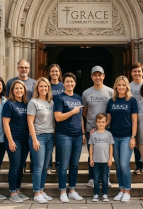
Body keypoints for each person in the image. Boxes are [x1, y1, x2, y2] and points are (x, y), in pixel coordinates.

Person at [54, 72, 86, 203]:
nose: (69, 84)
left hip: (78, 135)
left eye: (71, 81)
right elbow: (57, 117)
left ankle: (72, 190)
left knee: (74, 164)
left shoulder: (78, 98)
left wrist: (83, 133)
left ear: (75, 83)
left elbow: (81, 118)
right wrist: (72, 112)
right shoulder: (59, 98)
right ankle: (62, 191)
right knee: (63, 165)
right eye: (67, 81)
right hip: (64, 135)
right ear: (63, 83)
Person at [106, 75, 138, 202]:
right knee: (118, 165)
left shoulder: (131, 100)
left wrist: (133, 137)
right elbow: (108, 120)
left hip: (126, 136)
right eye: (119, 85)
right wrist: (98, 128)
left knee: (125, 165)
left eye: (123, 85)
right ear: (115, 87)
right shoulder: (111, 101)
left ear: (127, 87)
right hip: (113, 136)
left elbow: (135, 121)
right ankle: (121, 189)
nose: (121, 87)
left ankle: (127, 191)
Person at [82, 66, 113, 188]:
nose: (97, 77)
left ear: (104, 76)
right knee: (92, 154)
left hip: (106, 129)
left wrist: (104, 125)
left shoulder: (110, 92)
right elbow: (85, 111)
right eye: (95, 75)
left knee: (105, 154)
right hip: (91, 129)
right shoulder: (86, 93)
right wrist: (93, 123)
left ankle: (106, 178)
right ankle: (92, 178)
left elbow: (111, 111)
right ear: (91, 77)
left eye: (100, 75)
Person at [5, 59, 36, 173]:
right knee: (16, 163)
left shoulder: (34, 83)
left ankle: (32, 168)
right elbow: (9, 101)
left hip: (30, 124)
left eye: (26, 67)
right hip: (16, 124)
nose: (24, 69)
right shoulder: (10, 82)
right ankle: (15, 185)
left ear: (29, 69)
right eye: (22, 67)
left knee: (29, 153)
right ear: (17, 68)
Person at [27, 77, 54, 203]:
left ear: (49, 88)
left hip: (50, 136)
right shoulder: (33, 102)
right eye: (41, 86)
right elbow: (30, 122)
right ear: (37, 88)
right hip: (38, 137)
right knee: (38, 166)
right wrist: (34, 139)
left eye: (46, 86)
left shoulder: (51, 102)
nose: (43, 88)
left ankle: (42, 190)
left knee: (45, 167)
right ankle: (37, 193)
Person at [3, 80, 29, 203]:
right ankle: (12, 192)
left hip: (25, 139)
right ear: (12, 91)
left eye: (21, 88)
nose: (19, 91)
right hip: (14, 139)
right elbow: (6, 123)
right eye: (16, 89)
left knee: (21, 166)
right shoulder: (9, 104)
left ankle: (18, 190)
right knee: (14, 165)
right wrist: (10, 140)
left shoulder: (26, 104)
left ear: (24, 90)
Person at [89, 113, 114, 202]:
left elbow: (111, 147)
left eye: (103, 122)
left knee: (104, 178)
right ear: (96, 123)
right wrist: (91, 159)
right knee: (96, 178)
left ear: (106, 123)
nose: (101, 124)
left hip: (105, 160)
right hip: (96, 160)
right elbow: (91, 147)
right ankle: (96, 194)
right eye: (99, 122)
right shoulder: (94, 134)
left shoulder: (108, 134)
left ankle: (105, 194)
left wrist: (110, 158)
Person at [47, 64, 65, 174]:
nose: (54, 73)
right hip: (48, 117)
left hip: (61, 117)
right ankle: (48, 165)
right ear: (49, 73)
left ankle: (58, 165)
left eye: (56, 71)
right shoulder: (46, 85)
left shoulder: (63, 85)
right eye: (52, 71)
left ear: (59, 73)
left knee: (59, 142)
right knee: (49, 142)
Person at [130, 63, 143, 175]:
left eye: (139, 71)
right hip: (132, 118)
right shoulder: (128, 86)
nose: (137, 73)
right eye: (135, 71)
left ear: (142, 72)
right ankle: (138, 165)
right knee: (134, 141)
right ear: (131, 73)